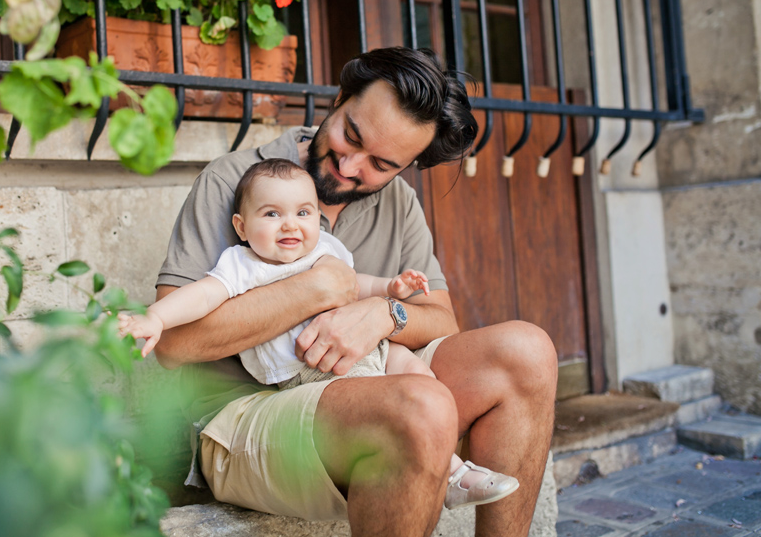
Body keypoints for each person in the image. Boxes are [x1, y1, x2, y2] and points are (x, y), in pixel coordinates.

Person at [152, 47, 558, 537]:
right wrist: (316, 289)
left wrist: (385, 313)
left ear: (406, 167)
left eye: (381, 164)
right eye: (351, 135)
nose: (349, 166)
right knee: (420, 405)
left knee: (528, 352)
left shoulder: (399, 202)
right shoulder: (234, 180)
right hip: (241, 418)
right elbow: (173, 346)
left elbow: (441, 320)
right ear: (339, 98)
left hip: (367, 390)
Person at [119, 158, 520, 510]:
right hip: (316, 369)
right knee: (403, 399)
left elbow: (355, 283)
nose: (290, 224)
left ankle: (444, 461)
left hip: (373, 348)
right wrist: (155, 318)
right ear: (241, 226)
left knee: (419, 374)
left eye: (303, 213)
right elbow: (203, 295)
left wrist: (391, 290)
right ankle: (454, 476)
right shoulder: (244, 265)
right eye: (272, 214)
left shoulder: (324, 249)